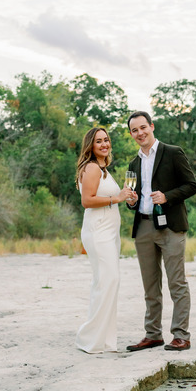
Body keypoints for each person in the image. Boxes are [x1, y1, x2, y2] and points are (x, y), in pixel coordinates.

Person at [125, 111, 196, 352]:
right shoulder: (133, 164)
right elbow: (132, 198)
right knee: (150, 285)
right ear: (131, 134)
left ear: (152, 126)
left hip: (170, 226)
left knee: (177, 282)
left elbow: (191, 185)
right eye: (134, 130)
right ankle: (152, 334)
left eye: (143, 127)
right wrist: (132, 202)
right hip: (143, 226)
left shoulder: (173, 152)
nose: (140, 133)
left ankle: (181, 335)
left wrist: (167, 196)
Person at [75, 127, 132, 354]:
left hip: (109, 233)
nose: (104, 144)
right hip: (98, 232)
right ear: (91, 145)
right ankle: (89, 338)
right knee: (109, 281)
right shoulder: (91, 168)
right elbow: (87, 201)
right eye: (99, 141)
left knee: (105, 282)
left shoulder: (104, 169)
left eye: (106, 140)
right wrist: (116, 198)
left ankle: (105, 341)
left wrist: (126, 196)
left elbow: (110, 197)